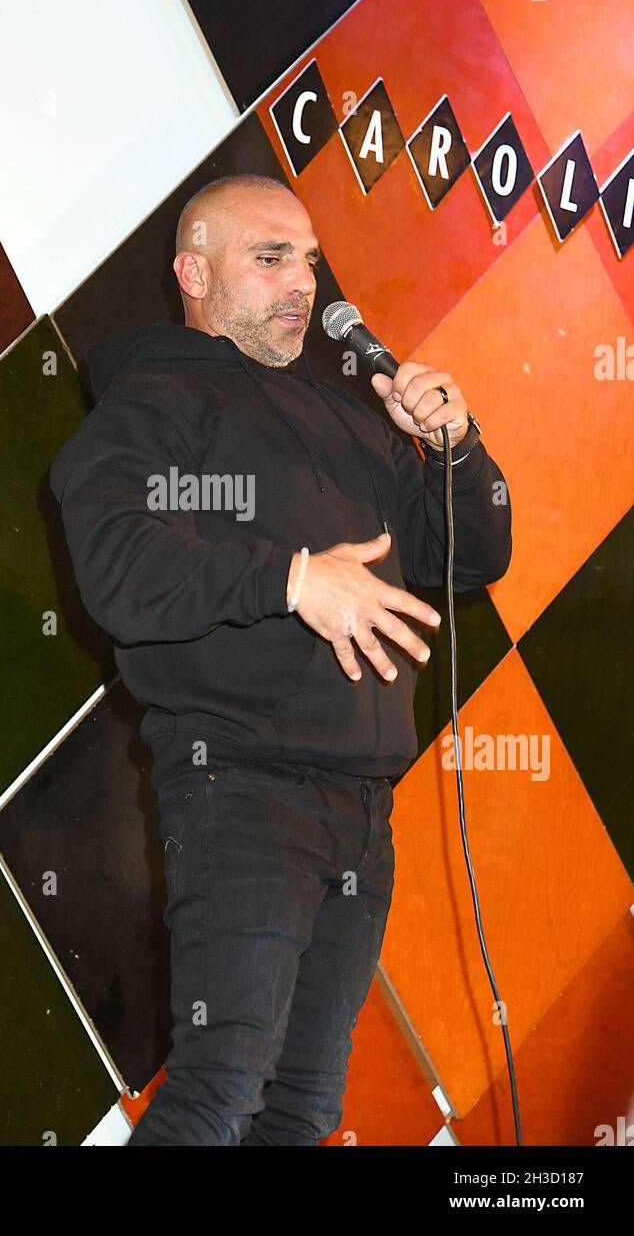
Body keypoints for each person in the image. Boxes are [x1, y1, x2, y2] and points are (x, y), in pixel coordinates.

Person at [49, 173, 512, 1145]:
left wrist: (455, 449)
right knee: (219, 1091)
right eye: (269, 258)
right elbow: (117, 563)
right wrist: (292, 579)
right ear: (192, 271)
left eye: (305, 258)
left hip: (359, 814)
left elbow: (468, 557)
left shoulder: (350, 417)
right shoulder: (158, 397)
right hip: (240, 789)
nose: (300, 280)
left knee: (298, 1112)